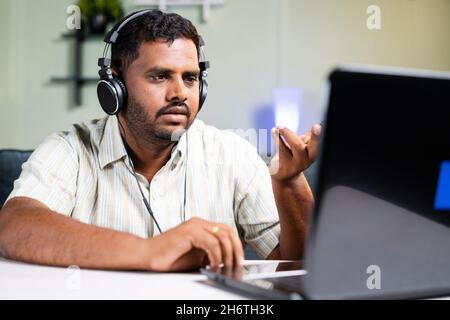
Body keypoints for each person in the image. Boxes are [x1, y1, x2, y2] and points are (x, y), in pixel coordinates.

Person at [0, 10, 321, 272]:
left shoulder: (232, 154)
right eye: (160, 76)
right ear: (115, 85)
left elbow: (296, 268)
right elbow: (14, 226)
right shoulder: (70, 149)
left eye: (190, 78)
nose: (180, 92)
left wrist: (290, 183)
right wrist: (150, 252)